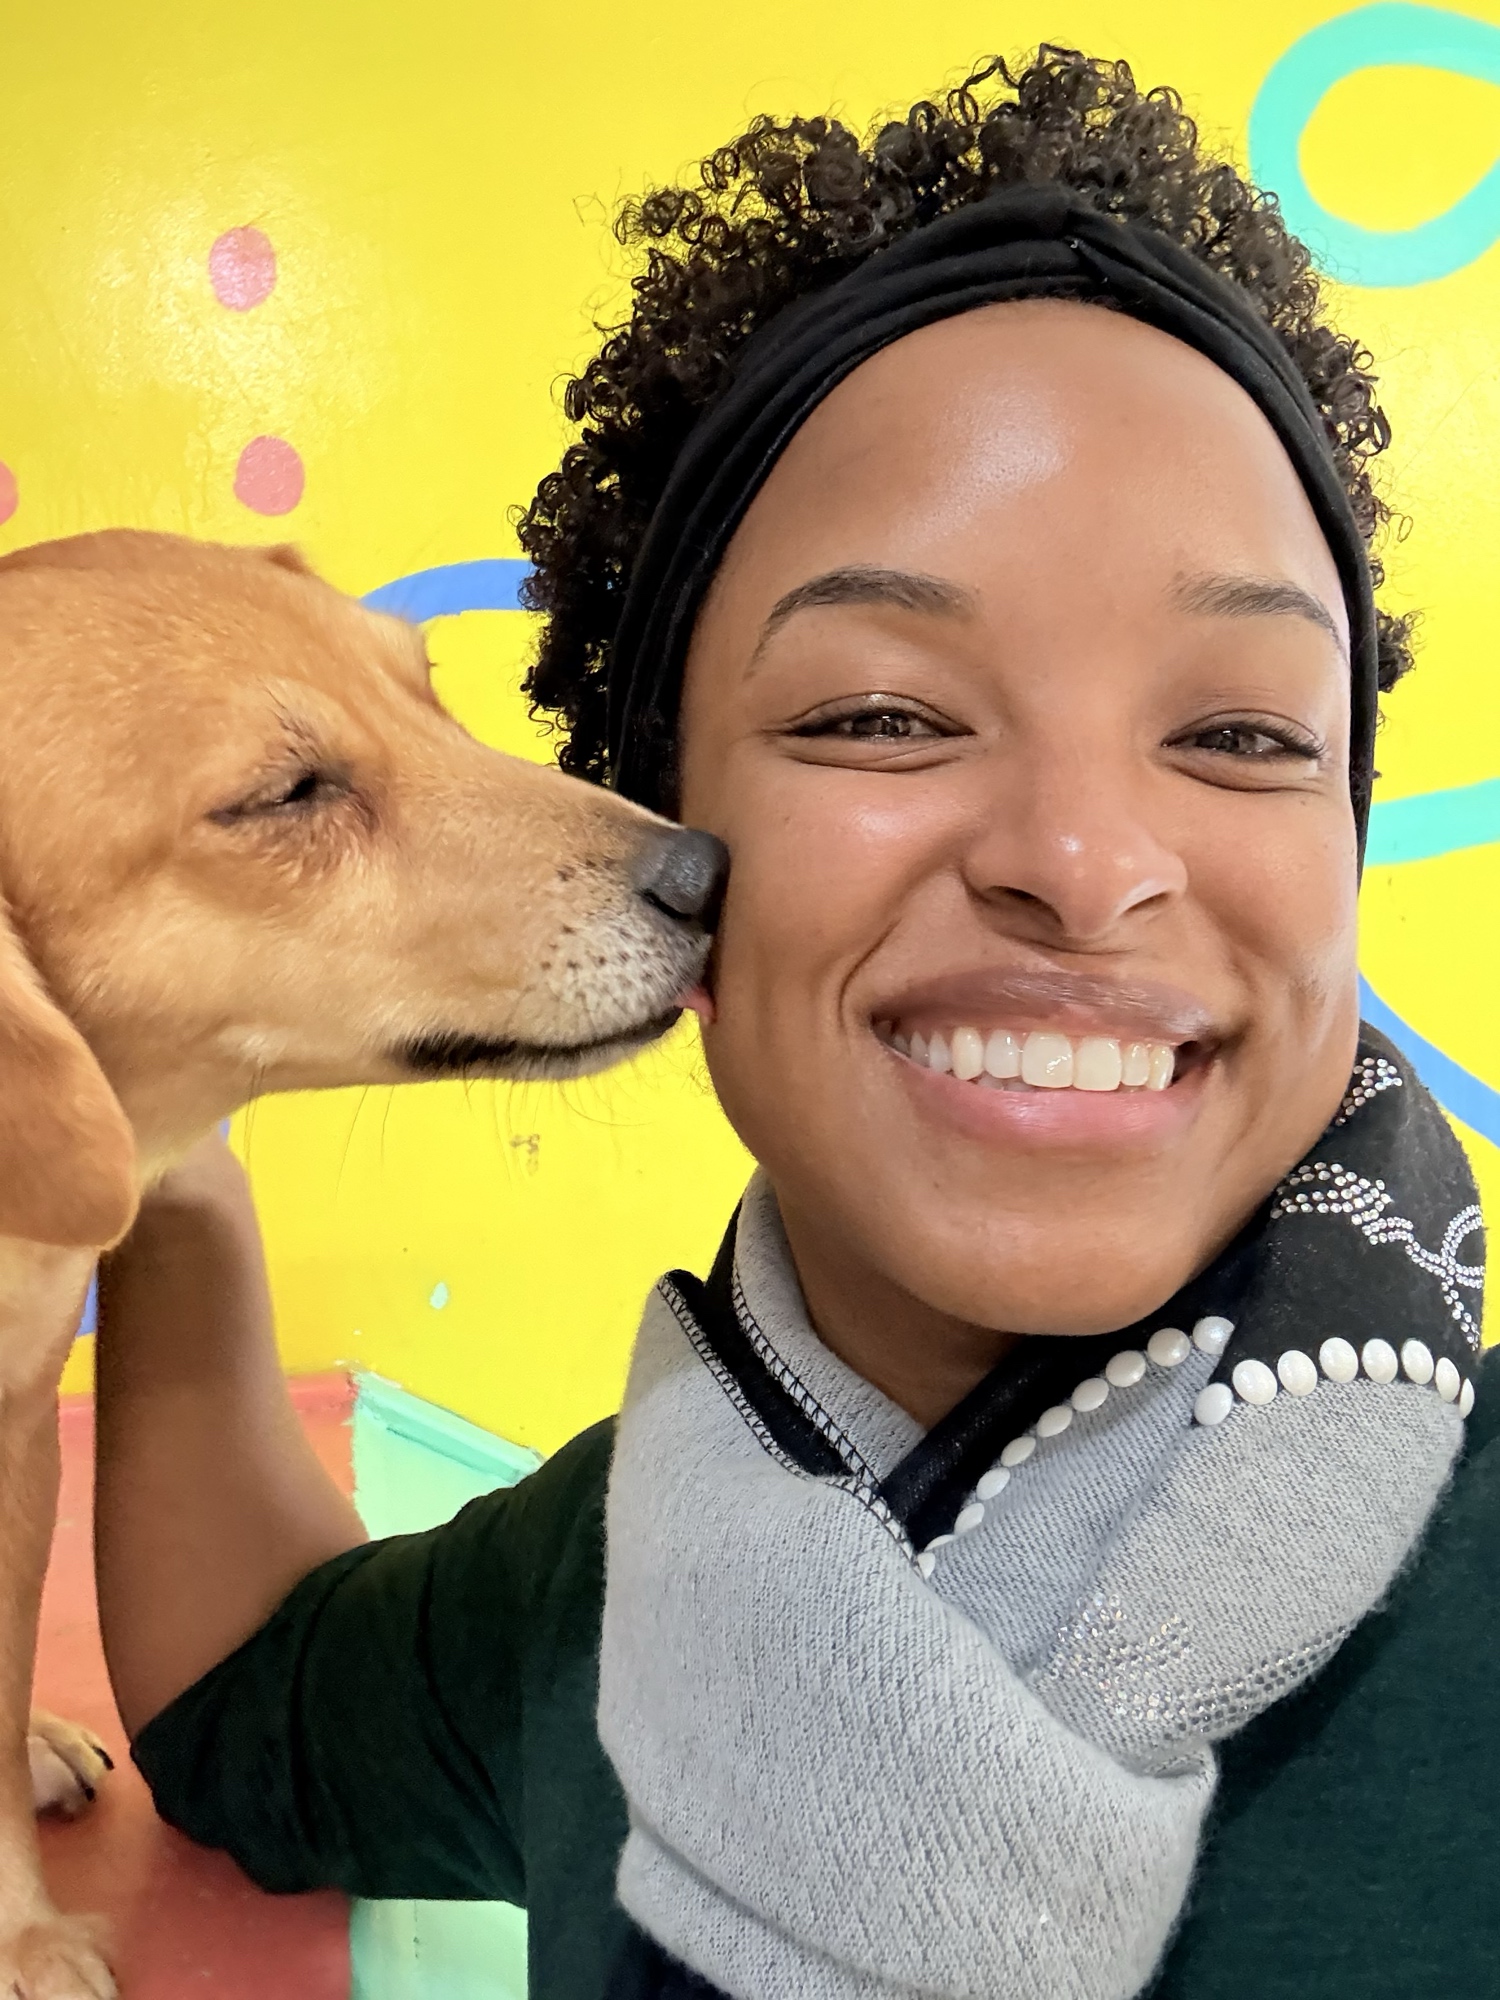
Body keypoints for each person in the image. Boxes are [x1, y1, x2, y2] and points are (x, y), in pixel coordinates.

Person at [94, 49, 1496, 2000]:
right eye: (882, 714)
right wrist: (157, 1137)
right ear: (662, 847)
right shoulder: (622, 1571)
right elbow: (249, 1701)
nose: (1085, 863)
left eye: (1244, 733)